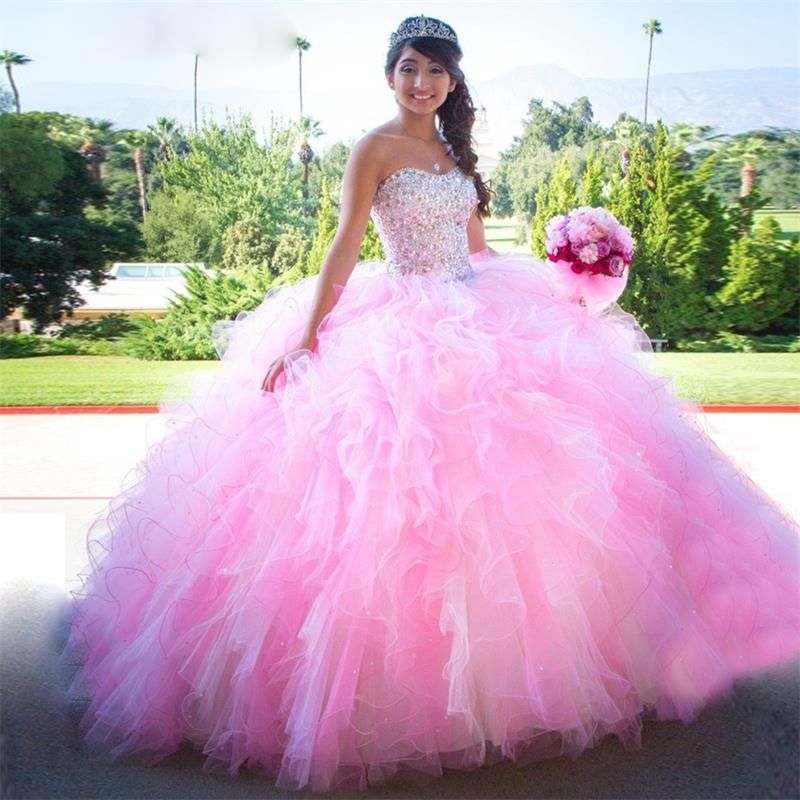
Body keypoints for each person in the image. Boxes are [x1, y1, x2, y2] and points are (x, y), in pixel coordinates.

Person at [61, 14, 800, 795]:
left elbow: (478, 253)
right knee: (381, 501)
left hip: (474, 312)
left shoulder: (452, 152)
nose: (423, 82)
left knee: (521, 494)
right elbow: (346, 243)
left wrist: (568, 273)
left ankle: (521, 678)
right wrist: (308, 334)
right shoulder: (373, 148)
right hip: (398, 318)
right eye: (411, 67)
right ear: (391, 74)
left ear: (453, 80)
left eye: (437, 71)